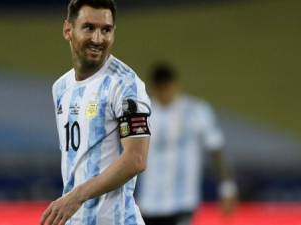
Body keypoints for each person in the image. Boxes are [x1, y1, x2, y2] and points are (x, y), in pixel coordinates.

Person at [40, 1, 152, 225]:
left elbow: (136, 159)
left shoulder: (126, 85)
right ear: (68, 30)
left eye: (106, 30)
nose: (98, 39)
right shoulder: (61, 88)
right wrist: (71, 201)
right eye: (89, 28)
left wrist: (76, 197)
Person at [137, 63, 237, 225]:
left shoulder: (196, 111)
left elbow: (216, 149)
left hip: (183, 201)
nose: (164, 94)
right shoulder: (144, 113)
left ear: (175, 85)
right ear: (153, 88)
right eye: (160, 89)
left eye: (167, 88)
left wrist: (227, 187)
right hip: (149, 202)